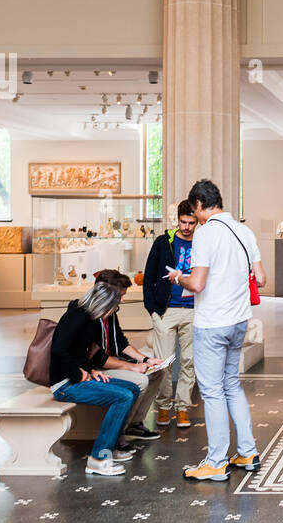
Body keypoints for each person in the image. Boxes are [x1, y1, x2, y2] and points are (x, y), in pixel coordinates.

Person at [170, 179, 267, 482]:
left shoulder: (206, 233)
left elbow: (197, 283)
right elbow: (261, 278)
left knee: (212, 392)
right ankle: (248, 451)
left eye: (194, 210)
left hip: (213, 323)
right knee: (231, 385)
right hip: (239, 321)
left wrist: (177, 278)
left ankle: (216, 461)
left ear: (198, 205)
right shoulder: (244, 230)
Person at [49, 280, 151, 476]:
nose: (114, 311)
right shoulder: (76, 318)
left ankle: (111, 447)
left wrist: (91, 370)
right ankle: (99, 458)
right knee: (123, 397)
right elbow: (58, 352)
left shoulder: (91, 320)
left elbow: (84, 354)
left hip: (79, 377)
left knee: (132, 389)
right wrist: (79, 374)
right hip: (65, 384)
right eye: (114, 306)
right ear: (103, 304)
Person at [142, 200, 200, 429]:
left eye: (191, 222)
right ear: (177, 220)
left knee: (189, 361)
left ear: (197, 221)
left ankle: (183, 408)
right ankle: (163, 407)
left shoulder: (202, 243)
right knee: (163, 362)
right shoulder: (163, 242)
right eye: (183, 222)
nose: (186, 227)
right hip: (166, 310)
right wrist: (152, 309)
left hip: (194, 309)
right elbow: (149, 276)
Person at [92, 269, 163, 443]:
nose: (123, 300)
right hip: (95, 369)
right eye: (120, 295)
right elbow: (97, 358)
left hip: (108, 362)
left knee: (156, 372)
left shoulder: (111, 313)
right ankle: (119, 431)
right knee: (141, 379)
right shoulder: (91, 315)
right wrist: (131, 367)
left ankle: (135, 424)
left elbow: (121, 342)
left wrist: (145, 360)